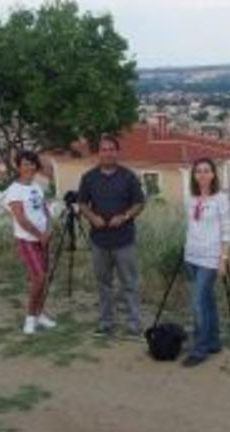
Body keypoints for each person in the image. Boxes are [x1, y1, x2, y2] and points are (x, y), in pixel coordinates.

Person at [77, 135, 146, 339]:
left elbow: (140, 203)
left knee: (130, 284)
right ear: (99, 153)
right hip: (99, 240)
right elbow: (81, 203)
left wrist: (124, 216)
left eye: (111, 149)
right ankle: (106, 322)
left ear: (117, 152)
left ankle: (134, 324)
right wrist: (92, 217)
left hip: (124, 240)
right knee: (103, 284)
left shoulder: (128, 176)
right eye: (103, 149)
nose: (107, 153)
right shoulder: (89, 177)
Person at [181, 158, 230, 367]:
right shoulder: (190, 199)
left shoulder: (221, 199)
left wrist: (223, 258)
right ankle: (213, 341)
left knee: (197, 303)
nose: (202, 175)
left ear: (213, 174)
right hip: (191, 256)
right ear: (194, 175)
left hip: (211, 258)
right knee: (207, 301)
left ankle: (200, 349)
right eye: (198, 171)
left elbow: (227, 231)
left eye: (206, 171)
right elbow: (192, 227)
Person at [3, 150, 56, 335]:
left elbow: (45, 210)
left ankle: (40, 314)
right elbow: (21, 218)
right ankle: (30, 318)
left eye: (32, 163)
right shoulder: (14, 190)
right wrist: (39, 235)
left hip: (43, 239)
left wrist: (48, 228)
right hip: (28, 240)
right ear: (18, 167)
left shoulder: (36, 186)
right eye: (25, 164)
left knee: (44, 279)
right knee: (38, 278)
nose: (30, 167)